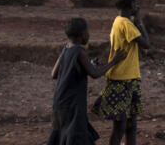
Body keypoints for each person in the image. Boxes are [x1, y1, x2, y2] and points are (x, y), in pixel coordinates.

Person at [47, 17, 126, 145]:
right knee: (77, 137)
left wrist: (87, 65)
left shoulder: (66, 48)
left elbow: (53, 74)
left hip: (59, 103)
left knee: (62, 135)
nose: (88, 35)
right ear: (82, 34)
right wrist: (113, 61)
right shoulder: (79, 51)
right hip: (73, 105)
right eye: (88, 32)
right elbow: (95, 74)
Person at [93, 0, 152, 145]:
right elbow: (146, 44)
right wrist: (139, 21)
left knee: (130, 124)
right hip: (122, 79)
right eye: (136, 2)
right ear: (131, 5)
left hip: (128, 78)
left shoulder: (118, 21)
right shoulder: (127, 24)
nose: (137, 6)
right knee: (121, 126)